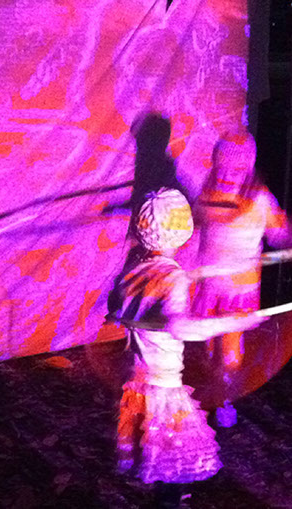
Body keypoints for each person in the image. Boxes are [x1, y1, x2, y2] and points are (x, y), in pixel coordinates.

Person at [109, 187, 265, 508]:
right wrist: (234, 322)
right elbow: (180, 326)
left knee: (158, 454)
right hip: (164, 390)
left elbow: (168, 284)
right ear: (184, 231)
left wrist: (227, 268)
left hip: (137, 385)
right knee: (173, 460)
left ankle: (170, 498)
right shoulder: (173, 278)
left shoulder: (134, 270)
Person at [192, 131, 290, 426]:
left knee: (230, 351)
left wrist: (285, 237)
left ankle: (224, 400)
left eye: (235, 169)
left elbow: (280, 234)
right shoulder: (208, 193)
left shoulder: (259, 199)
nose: (226, 174)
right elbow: (194, 227)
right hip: (209, 285)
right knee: (210, 348)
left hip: (239, 289)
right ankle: (216, 386)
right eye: (221, 166)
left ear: (247, 167)